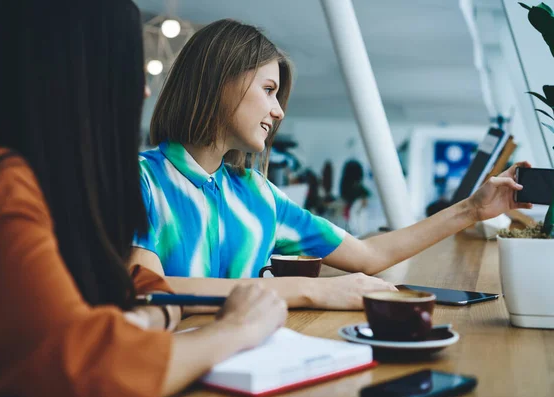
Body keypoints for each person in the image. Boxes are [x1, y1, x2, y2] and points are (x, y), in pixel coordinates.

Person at [0, 2, 287, 397]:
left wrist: (149, 309)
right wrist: (238, 328)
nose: (143, 89)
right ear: (75, 73)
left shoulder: (41, 181)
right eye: (127, 66)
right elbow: (91, 368)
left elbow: (142, 288)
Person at [130, 18, 532, 311]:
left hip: (246, 357)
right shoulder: (141, 179)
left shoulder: (257, 194)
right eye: (269, 90)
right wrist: (311, 290)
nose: (278, 111)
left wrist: (472, 210)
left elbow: (367, 256)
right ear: (218, 81)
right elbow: (149, 289)